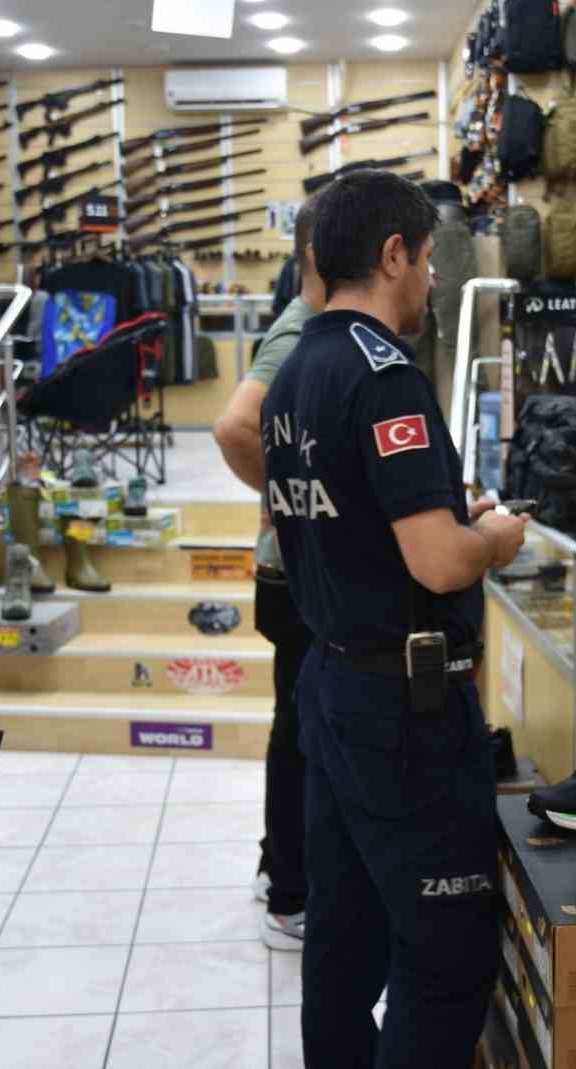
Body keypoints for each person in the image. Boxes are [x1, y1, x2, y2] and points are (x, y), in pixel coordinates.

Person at [261, 170, 529, 1068]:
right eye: (426, 261)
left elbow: (351, 514)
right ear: (391, 256)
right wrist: (491, 535)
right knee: (446, 955)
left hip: (333, 681)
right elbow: (439, 560)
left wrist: (447, 521)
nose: (432, 281)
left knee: (344, 932)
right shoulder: (384, 377)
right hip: (402, 711)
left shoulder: (296, 369)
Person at [212, 193, 323, 951]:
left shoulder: (307, 323)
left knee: (297, 724)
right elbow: (234, 425)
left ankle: (276, 868)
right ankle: (289, 893)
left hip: (288, 570)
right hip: (293, 573)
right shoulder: (302, 329)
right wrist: (294, 502)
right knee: (303, 731)